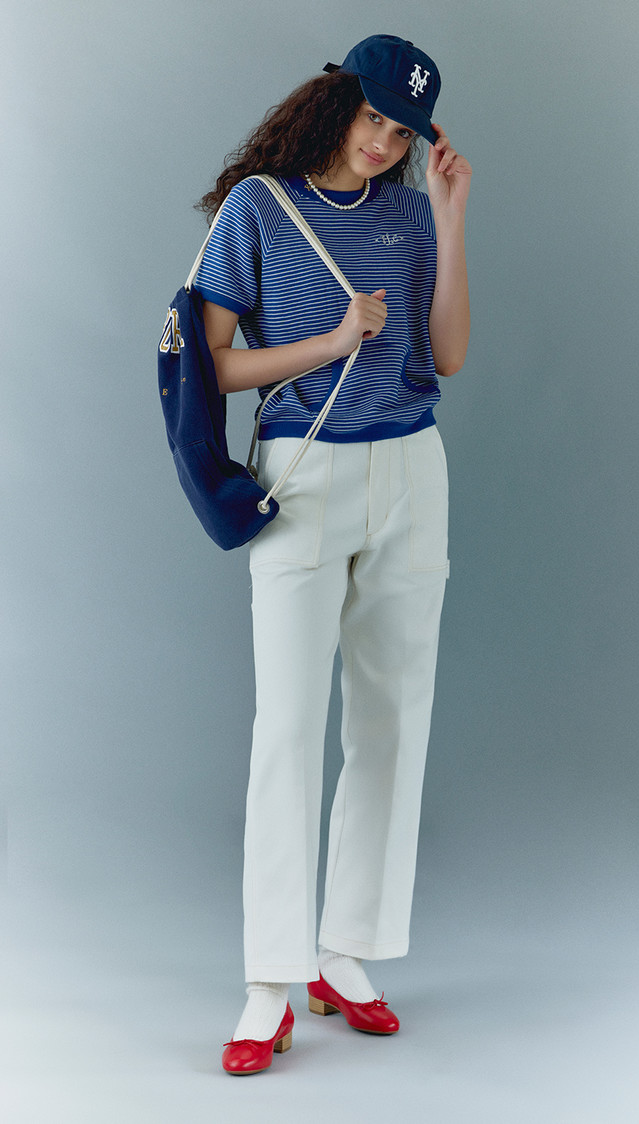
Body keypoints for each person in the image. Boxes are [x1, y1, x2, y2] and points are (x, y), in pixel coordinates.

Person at [194, 34, 471, 1075]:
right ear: (337, 100)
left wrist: (450, 214)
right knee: (288, 725)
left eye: (403, 131)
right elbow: (212, 364)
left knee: (393, 717)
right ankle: (268, 980)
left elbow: (448, 354)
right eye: (373, 118)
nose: (383, 143)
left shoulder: (407, 211)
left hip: (412, 470)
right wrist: (329, 343)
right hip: (304, 478)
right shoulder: (258, 208)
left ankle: (344, 953)